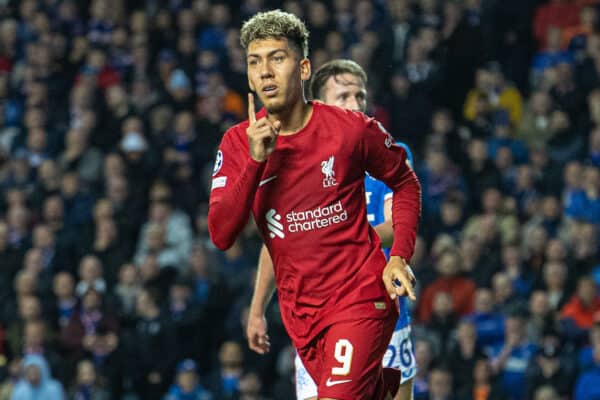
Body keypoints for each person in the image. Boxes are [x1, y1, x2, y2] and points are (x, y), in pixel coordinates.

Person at [208, 10, 421, 400]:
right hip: (302, 317)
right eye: (255, 62)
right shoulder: (237, 143)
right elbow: (221, 235)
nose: (266, 72)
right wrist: (256, 159)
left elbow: (405, 182)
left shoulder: (350, 130)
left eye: (277, 58)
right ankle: (382, 389)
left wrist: (398, 256)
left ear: (303, 68)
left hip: (361, 296)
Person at [250, 59, 418, 400]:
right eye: (344, 96)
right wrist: (256, 311)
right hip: (315, 315)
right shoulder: (293, 161)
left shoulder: (384, 152)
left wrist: (334, 238)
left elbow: (398, 220)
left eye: (360, 96)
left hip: (374, 306)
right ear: (320, 105)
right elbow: (276, 244)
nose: (356, 104)